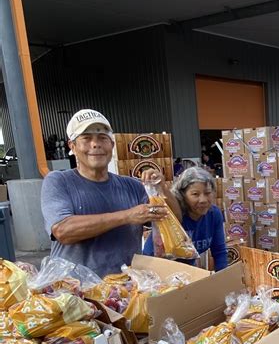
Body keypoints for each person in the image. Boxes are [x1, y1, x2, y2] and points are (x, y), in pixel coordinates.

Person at [41, 108, 180, 277]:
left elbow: (175, 221)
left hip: (122, 292)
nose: (95, 144)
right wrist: (127, 216)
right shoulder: (58, 181)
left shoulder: (133, 186)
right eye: (86, 138)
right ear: (73, 146)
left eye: (102, 138)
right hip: (73, 293)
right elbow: (63, 231)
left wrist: (162, 188)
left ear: (112, 145)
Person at [143, 167, 228, 271]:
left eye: (207, 193)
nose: (203, 200)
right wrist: (160, 185)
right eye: (195, 194)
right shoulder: (173, 213)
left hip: (185, 271)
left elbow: (219, 252)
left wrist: (224, 280)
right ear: (182, 195)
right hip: (156, 267)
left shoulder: (214, 214)